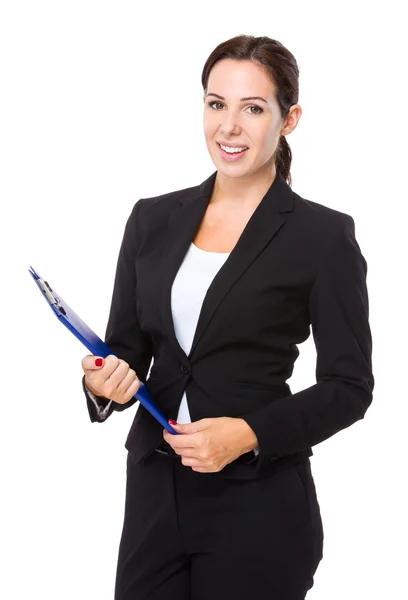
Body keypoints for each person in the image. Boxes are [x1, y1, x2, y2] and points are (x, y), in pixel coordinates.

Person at [81, 34, 374, 600]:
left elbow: (350, 386)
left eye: (253, 108)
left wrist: (248, 433)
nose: (229, 127)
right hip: (153, 493)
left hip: (256, 499)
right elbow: (125, 350)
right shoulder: (152, 219)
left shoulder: (322, 236)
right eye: (216, 104)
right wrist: (101, 383)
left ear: (289, 120)